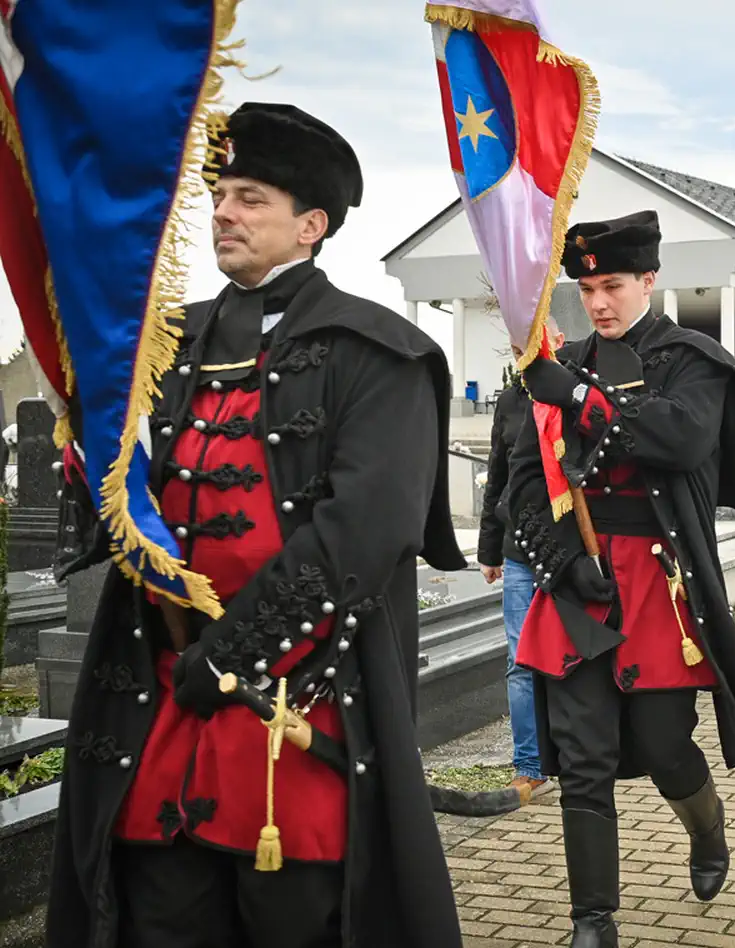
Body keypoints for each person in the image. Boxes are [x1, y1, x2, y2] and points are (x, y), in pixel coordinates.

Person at [47, 103, 467, 948]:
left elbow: (362, 535)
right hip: (161, 700)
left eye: (250, 198)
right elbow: (123, 502)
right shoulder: (157, 345)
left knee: (292, 923)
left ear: (311, 225)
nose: (224, 214)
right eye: (219, 195)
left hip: (297, 701)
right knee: (154, 916)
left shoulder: (379, 351)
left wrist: (231, 657)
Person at [510, 209, 735, 946]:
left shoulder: (693, 358)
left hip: (660, 586)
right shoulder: (560, 360)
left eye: (611, 285)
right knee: (583, 759)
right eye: (586, 287)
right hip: (578, 584)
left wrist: (572, 397)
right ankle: (592, 920)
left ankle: (706, 829)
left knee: (667, 745)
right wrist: (564, 560)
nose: (598, 302)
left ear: (649, 280)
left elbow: (679, 437)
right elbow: (522, 484)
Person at [477, 326, 565, 802]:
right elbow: (498, 475)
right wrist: (489, 549)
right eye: (517, 345)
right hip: (518, 554)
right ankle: (530, 764)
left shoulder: (578, 390)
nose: (525, 352)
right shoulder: (510, 401)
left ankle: (576, 753)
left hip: (571, 552)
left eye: (534, 341)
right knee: (521, 661)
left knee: (572, 657)